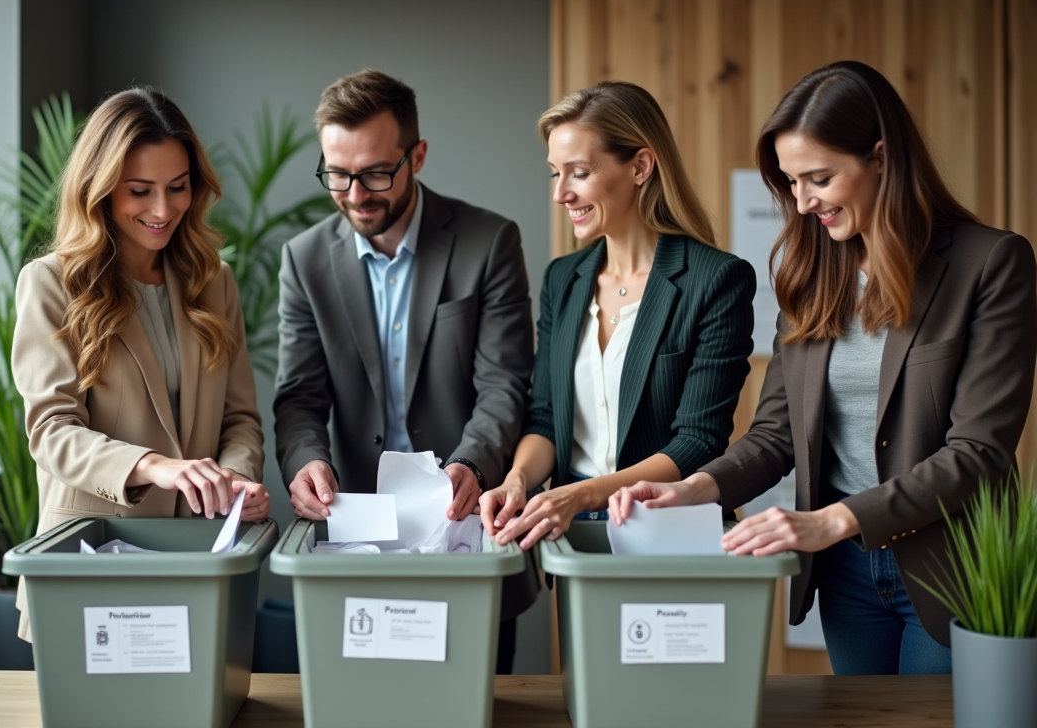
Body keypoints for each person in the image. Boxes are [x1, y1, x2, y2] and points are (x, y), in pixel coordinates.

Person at [610, 60, 1037, 675]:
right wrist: (693, 491)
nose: (804, 203)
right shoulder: (811, 275)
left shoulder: (990, 263)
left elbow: (978, 452)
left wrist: (828, 520)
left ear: (882, 159)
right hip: (844, 571)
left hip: (948, 569)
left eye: (820, 178)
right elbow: (775, 434)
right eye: (791, 183)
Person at [273, 68, 538, 672]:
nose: (356, 194)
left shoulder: (488, 241)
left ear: (417, 155)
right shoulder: (306, 259)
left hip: (465, 527)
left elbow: (505, 381)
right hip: (356, 539)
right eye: (336, 175)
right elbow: (300, 398)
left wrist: (472, 462)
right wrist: (305, 460)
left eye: (375, 173)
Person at [12, 88, 269, 641]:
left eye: (178, 188)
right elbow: (51, 432)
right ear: (99, 190)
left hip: (199, 559)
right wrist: (156, 466)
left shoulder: (213, 280)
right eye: (139, 191)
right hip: (92, 559)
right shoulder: (52, 285)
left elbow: (240, 419)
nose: (162, 209)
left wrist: (235, 480)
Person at [479, 81, 756, 550]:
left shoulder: (716, 280)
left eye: (579, 173)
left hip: (669, 529)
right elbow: (546, 417)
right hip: (572, 531)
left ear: (640, 166)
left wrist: (583, 494)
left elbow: (698, 441)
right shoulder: (562, 280)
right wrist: (517, 480)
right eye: (554, 174)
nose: (560, 194)